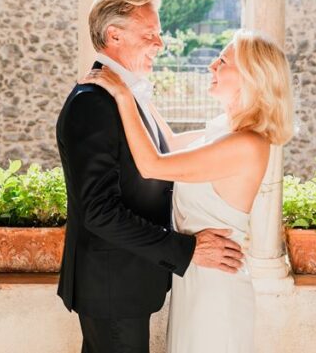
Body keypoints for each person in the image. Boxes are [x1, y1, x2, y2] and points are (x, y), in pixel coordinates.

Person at [56, 0, 245, 353]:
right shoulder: (92, 104)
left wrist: (239, 133)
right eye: (150, 34)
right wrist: (188, 250)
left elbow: (167, 151)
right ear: (114, 35)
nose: (160, 43)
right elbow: (99, 213)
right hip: (111, 285)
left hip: (126, 279)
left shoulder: (126, 95)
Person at [84, 28, 294, 353]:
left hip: (216, 291)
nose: (211, 65)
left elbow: (152, 164)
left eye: (222, 61)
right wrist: (136, 88)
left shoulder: (247, 145)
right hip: (196, 278)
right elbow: (166, 143)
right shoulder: (224, 131)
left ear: (251, 78)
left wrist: (123, 96)